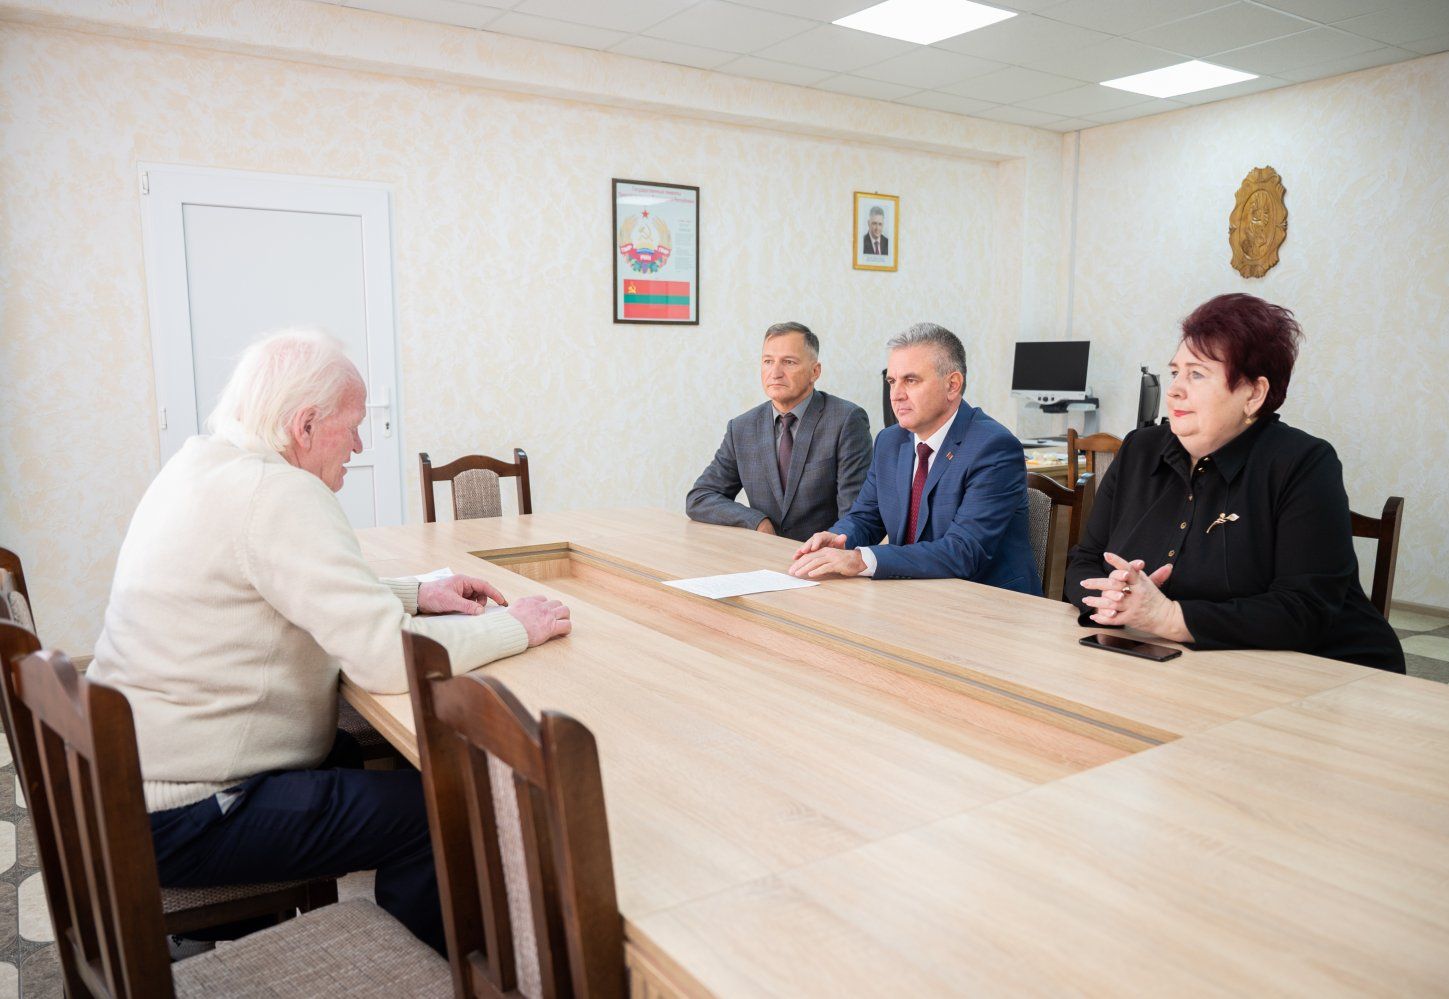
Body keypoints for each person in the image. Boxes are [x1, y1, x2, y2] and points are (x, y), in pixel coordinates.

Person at [88, 328, 573, 953]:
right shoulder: (278, 493)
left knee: (358, 753)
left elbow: (273, 587)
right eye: (355, 426)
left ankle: (246, 922)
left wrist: (415, 594)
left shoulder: (201, 465)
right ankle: (415, 968)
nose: (361, 444)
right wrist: (515, 627)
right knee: (448, 805)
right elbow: (386, 660)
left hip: (129, 779)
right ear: (306, 425)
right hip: (184, 812)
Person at [1064, 293, 1404, 672]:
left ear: (1254, 394)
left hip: (1324, 672)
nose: (1174, 389)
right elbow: (1085, 560)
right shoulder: (1139, 449)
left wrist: (1169, 617)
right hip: (1177, 665)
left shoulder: (1303, 463)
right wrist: (1110, 597)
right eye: (1175, 372)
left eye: (1197, 374)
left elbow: (1304, 609)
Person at [789, 322, 1039, 593]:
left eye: (911, 380)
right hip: (913, 592)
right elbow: (866, 517)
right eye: (892, 382)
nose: (896, 395)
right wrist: (839, 539)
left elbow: (964, 551)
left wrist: (861, 559)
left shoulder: (994, 447)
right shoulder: (890, 441)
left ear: (952, 385)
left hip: (987, 601)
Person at [687, 322, 872, 541]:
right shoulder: (742, 428)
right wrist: (756, 521)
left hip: (823, 555)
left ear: (815, 371)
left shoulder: (846, 420)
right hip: (763, 554)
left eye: (788, 362)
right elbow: (700, 497)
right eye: (768, 361)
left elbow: (855, 516)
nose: (775, 373)